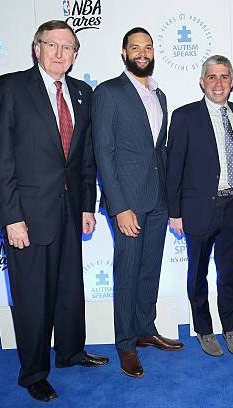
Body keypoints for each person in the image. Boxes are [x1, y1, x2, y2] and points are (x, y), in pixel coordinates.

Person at [0, 20, 108, 402]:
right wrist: (11, 218)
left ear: (75, 55)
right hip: (29, 215)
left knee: (71, 288)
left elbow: (85, 158)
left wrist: (88, 205)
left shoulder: (83, 93)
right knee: (33, 297)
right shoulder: (11, 88)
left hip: (71, 212)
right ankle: (34, 372)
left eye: (68, 47)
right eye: (51, 45)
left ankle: (70, 351)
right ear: (36, 48)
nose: (59, 53)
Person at [92, 27, 183, 378]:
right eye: (135, 48)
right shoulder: (109, 93)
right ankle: (126, 344)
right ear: (124, 53)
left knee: (149, 270)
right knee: (127, 273)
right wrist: (119, 206)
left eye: (147, 47)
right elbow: (104, 151)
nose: (142, 53)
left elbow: (158, 150)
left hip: (157, 199)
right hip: (128, 201)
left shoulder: (159, 95)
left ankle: (146, 329)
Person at [166, 55, 233, 357]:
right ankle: (204, 330)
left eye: (224, 76)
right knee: (198, 274)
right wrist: (175, 213)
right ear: (202, 81)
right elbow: (174, 169)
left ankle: (230, 327)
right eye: (212, 77)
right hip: (198, 210)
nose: (218, 83)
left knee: (228, 274)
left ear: (232, 81)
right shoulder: (184, 116)